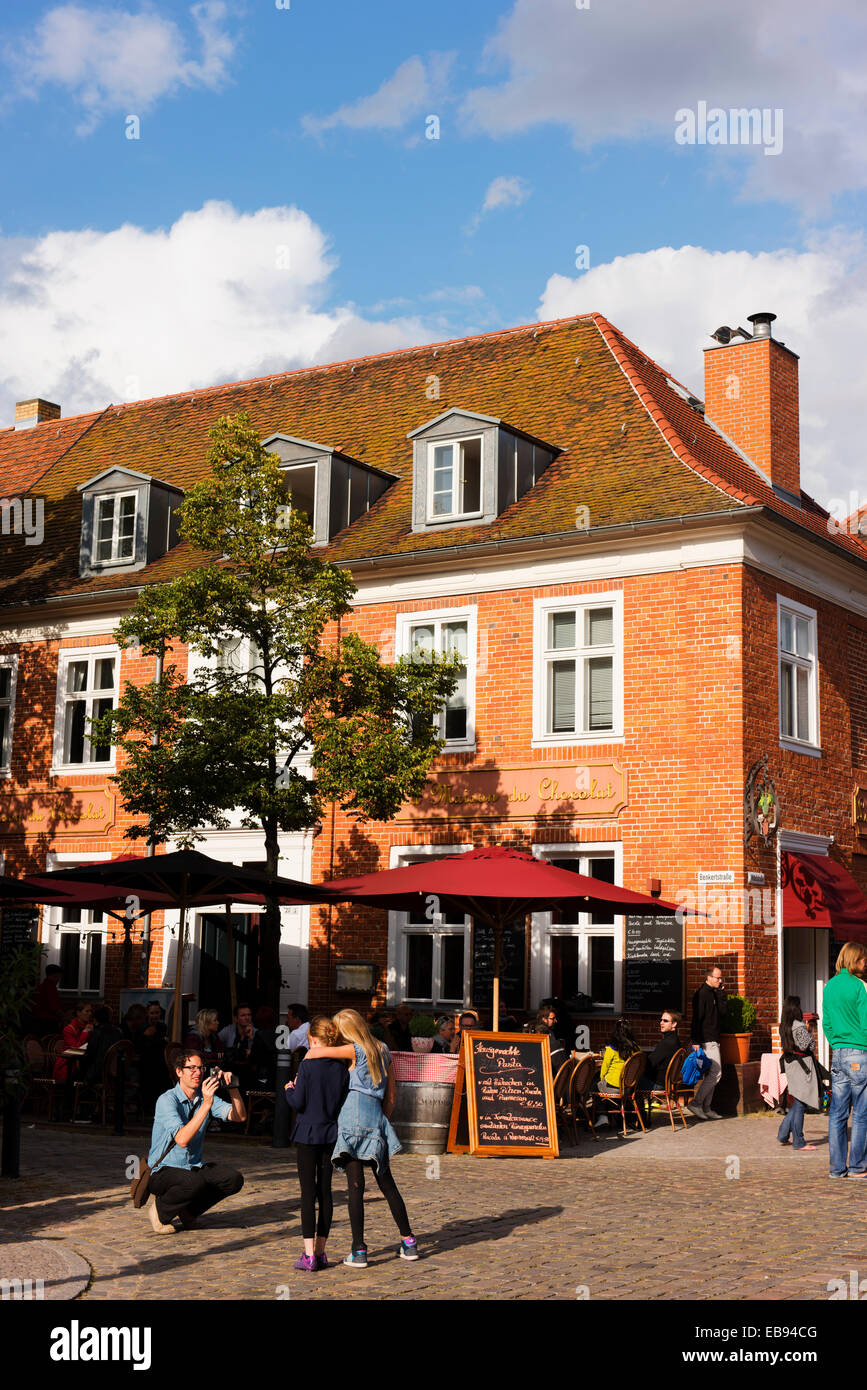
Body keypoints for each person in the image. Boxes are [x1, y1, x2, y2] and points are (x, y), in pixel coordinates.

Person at [305, 1008, 419, 1267]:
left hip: (351, 1117)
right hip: (376, 1117)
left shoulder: (354, 1050)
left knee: (355, 1186)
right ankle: (409, 1241)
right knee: (387, 1184)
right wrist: (382, 1121)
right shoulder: (384, 1049)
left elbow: (316, 1052)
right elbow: (392, 1095)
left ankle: (359, 1250)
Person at [145, 1047, 246, 1234]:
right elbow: (182, 1139)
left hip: (193, 1166)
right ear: (179, 1072)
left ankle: (188, 1212)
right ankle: (160, 1211)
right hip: (162, 1171)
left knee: (232, 1179)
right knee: (192, 1183)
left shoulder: (204, 1096)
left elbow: (238, 1117)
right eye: (191, 1068)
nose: (197, 1073)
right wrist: (206, 1104)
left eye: (201, 1068)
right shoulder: (167, 1100)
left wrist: (233, 1090)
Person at [283, 1016, 350, 1272]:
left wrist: (289, 1088)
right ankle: (321, 1252)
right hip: (330, 1132)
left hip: (307, 1133)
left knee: (307, 1193)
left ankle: (308, 1254)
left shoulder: (308, 1065)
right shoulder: (341, 1068)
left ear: (312, 1039)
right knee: (325, 1191)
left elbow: (298, 1101)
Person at [822, 940, 867, 1178]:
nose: (864, 963)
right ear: (853, 959)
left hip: (838, 1053)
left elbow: (826, 1023)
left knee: (838, 1113)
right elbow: (866, 1022)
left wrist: (836, 1042)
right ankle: (858, 1166)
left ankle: (837, 1168)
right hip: (860, 1051)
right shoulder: (859, 986)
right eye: (862, 959)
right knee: (860, 1113)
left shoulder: (829, 986)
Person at [777, 995, 819, 1153]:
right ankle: (799, 1141)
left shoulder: (784, 1026)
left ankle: (782, 1135)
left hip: (791, 1065)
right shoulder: (798, 1026)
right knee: (801, 1103)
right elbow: (809, 1046)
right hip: (801, 1067)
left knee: (798, 1102)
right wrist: (810, 1032)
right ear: (796, 1008)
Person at [688, 965, 728, 1120]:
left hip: (714, 1039)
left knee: (711, 1074)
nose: (720, 980)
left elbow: (723, 1012)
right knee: (716, 1073)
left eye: (720, 977)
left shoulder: (713, 993)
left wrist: (721, 993)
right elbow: (696, 1019)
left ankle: (706, 1107)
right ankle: (696, 1104)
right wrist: (696, 1040)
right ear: (709, 978)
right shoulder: (702, 994)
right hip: (706, 1039)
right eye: (718, 978)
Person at [593, 1018, 640, 1129]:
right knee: (601, 1086)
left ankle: (602, 1116)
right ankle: (612, 1116)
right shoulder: (636, 1049)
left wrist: (602, 1080)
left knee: (595, 1086)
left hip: (614, 1086)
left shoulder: (611, 1049)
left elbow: (603, 1071)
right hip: (629, 1087)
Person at [637, 1010, 683, 1093]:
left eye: (665, 1021)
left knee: (628, 1079)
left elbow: (649, 1063)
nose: (661, 1023)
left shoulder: (667, 1042)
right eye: (661, 1020)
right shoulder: (674, 1040)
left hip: (657, 1085)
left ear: (674, 1024)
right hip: (665, 1083)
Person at [81, 1005, 123, 1087]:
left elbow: (90, 1054)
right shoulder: (118, 1032)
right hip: (115, 1072)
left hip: (97, 1073)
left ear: (96, 1020)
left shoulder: (97, 1033)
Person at [53, 1002, 94, 1082]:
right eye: (87, 1011)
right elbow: (75, 1050)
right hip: (69, 1064)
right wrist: (85, 1033)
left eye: (91, 1011)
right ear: (78, 1013)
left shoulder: (90, 1027)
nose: (90, 1014)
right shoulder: (68, 1029)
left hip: (85, 1061)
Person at [29, 964, 63, 1037]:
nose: (59, 979)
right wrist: (63, 1017)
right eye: (59, 976)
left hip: (37, 1021)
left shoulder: (41, 986)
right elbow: (54, 1007)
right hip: (48, 1022)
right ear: (55, 975)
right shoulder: (51, 988)